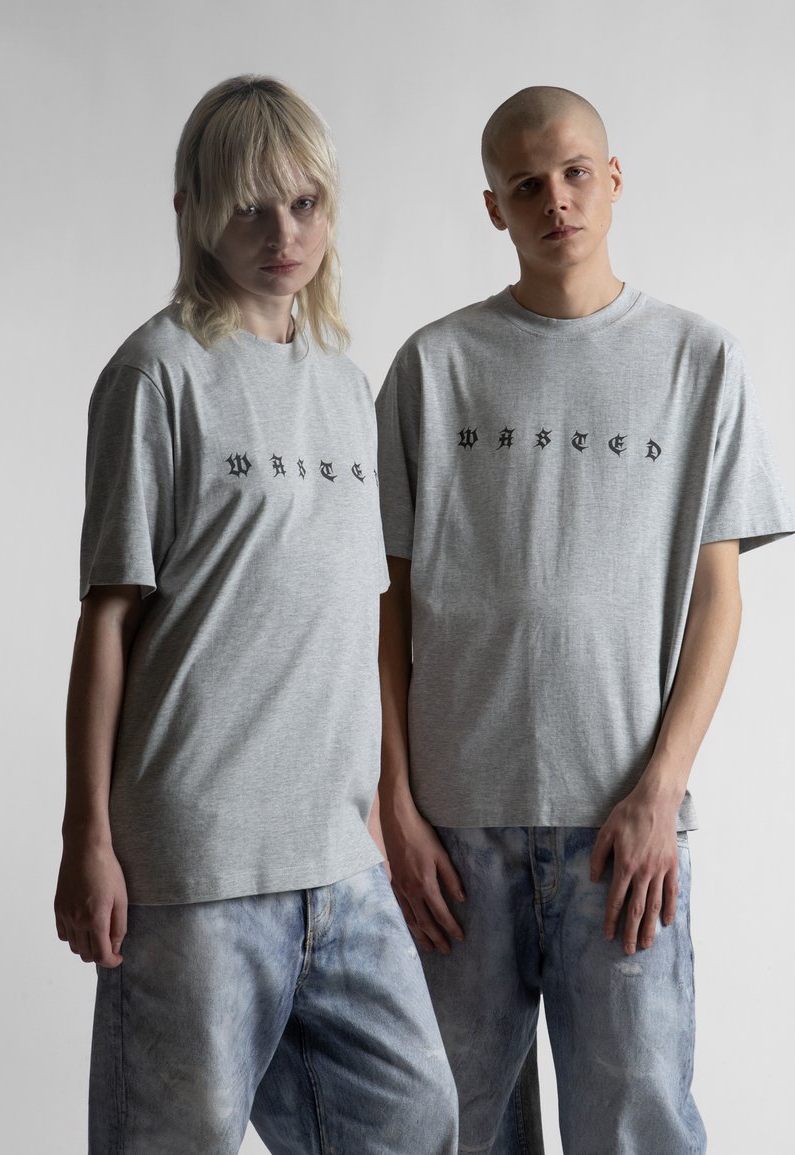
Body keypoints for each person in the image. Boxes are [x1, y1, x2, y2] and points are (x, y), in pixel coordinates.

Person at [375, 85, 793, 1155]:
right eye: (524, 185)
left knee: (636, 1126)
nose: (553, 199)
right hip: (453, 835)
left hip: (623, 832)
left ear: (612, 179)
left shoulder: (699, 363)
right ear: (493, 209)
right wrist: (394, 808)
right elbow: (384, 606)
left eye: (572, 173)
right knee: (450, 1130)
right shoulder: (432, 367)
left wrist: (660, 792)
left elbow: (718, 598)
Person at [54, 75, 458, 1155]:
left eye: (304, 204)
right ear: (191, 209)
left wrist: (380, 811)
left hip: (338, 859)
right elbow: (108, 622)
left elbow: (350, 622)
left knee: (415, 1119)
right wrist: (86, 838)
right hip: (195, 865)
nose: (284, 235)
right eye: (249, 207)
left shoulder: (344, 388)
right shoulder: (156, 376)